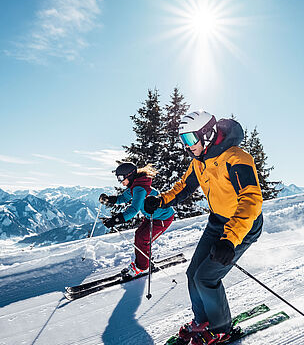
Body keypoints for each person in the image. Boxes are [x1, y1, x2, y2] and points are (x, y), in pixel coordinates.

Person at [144, 111, 264, 345]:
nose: (187, 146)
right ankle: (203, 320)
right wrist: (161, 201)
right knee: (193, 274)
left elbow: (251, 199)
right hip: (217, 223)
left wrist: (230, 240)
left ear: (207, 134)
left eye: (190, 139)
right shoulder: (200, 161)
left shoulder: (237, 158)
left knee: (207, 277)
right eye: (183, 141)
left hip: (242, 226)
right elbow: (184, 187)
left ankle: (221, 329)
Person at [99, 162, 175, 277]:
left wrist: (115, 220)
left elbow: (134, 209)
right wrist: (109, 200)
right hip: (151, 217)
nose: (120, 181)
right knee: (139, 235)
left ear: (129, 175)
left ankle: (142, 267)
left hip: (162, 219)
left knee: (143, 239)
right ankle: (144, 261)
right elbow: (124, 198)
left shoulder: (139, 188)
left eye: (121, 178)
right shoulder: (135, 185)